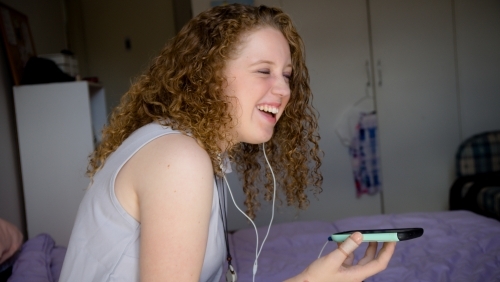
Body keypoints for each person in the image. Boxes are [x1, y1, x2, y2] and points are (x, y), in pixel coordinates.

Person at [59, 4, 395, 282]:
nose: (284, 90)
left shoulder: (190, 150)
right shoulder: (179, 159)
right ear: (208, 76)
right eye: (264, 71)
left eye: (287, 75)